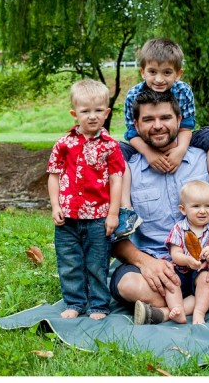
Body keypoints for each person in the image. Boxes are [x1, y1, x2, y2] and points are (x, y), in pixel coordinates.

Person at [110, 89, 209, 325]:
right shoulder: (125, 170)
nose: (157, 126)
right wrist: (145, 262)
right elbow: (115, 236)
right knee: (127, 285)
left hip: (204, 261)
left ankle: (164, 312)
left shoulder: (204, 160)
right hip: (158, 263)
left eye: (165, 118)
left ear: (179, 120)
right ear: (137, 127)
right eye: (148, 120)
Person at [119, 38, 209, 221]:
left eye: (167, 72)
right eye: (152, 72)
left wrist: (180, 151)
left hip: (179, 136)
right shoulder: (134, 95)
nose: (159, 79)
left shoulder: (183, 91)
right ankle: (125, 210)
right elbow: (132, 132)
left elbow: (187, 125)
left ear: (178, 73)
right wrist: (149, 154)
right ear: (142, 72)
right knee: (114, 151)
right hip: (143, 140)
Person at [46, 79, 126, 320]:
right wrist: (55, 206)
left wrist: (113, 214)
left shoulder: (110, 146)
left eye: (98, 110)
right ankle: (75, 301)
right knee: (69, 261)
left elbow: (116, 179)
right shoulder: (64, 144)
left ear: (107, 112)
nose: (92, 116)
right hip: (68, 218)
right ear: (74, 114)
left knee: (97, 262)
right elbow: (54, 175)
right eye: (85, 111)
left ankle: (99, 304)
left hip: (98, 218)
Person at [162, 180, 209, 324]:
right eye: (196, 206)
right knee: (170, 281)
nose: (203, 211)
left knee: (207, 280)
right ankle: (178, 310)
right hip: (180, 270)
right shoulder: (179, 229)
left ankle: (199, 312)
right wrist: (186, 260)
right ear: (183, 209)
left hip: (201, 271)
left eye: (208, 206)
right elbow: (175, 254)